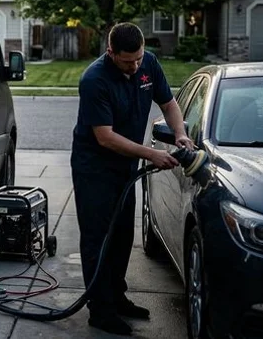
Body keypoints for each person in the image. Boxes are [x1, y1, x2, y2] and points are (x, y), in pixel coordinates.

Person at [70, 22, 194, 335]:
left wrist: (179, 133)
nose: (135, 65)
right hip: (95, 168)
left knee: (124, 234)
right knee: (100, 238)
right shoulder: (94, 80)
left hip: (125, 165)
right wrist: (151, 154)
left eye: (138, 58)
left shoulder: (148, 63)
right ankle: (100, 310)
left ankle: (117, 296)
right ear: (110, 52)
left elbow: (168, 102)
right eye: (127, 61)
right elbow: (105, 137)